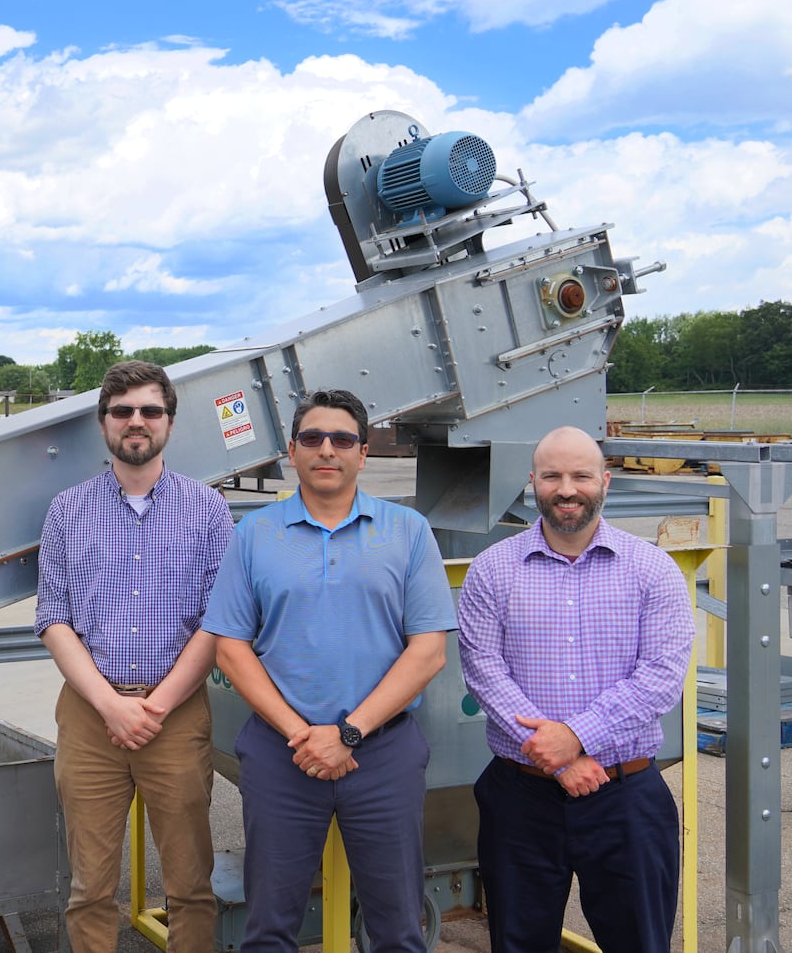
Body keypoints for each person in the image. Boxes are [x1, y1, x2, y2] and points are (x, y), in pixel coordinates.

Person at [203, 388, 454, 953]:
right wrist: (303, 735)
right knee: (269, 926)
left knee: (397, 927)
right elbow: (231, 649)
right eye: (312, 438)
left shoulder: (408, 531)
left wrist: (346, 734)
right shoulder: (253, 535)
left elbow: (429, 652)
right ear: (292, 450)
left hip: (382, 753)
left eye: (342, 439)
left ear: (363, 453)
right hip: (281, 753)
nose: (327, 450)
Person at [457, 425, 693, 952]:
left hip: (625, 799)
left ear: (604, 481)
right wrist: (558, 758)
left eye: (581, 475)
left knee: (639, 942)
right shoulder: (493, 570)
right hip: (520, 801)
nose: (567, 488)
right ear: (532, 483)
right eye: (553, 476)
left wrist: (575, 739)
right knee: (518, 943)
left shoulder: (652, 570)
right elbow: (483, 669)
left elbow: (660, 678)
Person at [35, 360, 234, 953]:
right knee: (91, 886)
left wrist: (156, 706)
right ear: (104, 423)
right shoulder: (68, 511)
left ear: (169, 422)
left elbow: (218, 622)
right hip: (90, 717)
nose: (136, 422)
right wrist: (111, 706)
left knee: (190, 885)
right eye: (123, 411)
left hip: (177, 714)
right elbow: (54, 619)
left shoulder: (208, 510)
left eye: (150, 410)